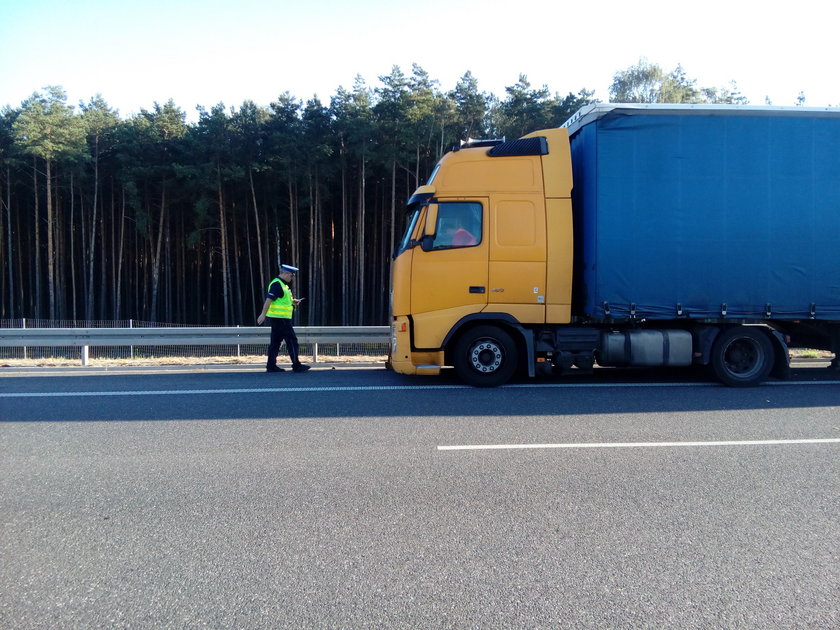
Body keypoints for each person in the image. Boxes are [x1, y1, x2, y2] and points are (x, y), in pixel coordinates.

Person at [257, 264, 310, 373]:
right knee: (292, 340)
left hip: (279, 318)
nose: (292, 277)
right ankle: (296, 365)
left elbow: (280, 300)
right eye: (291, 275)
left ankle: (271, 366)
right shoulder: (277, 284)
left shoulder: (283, 285)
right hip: (281, 319)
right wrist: (263, 314)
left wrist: (293, 301)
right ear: (285, 273)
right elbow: (269, 300)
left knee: (275, 342)